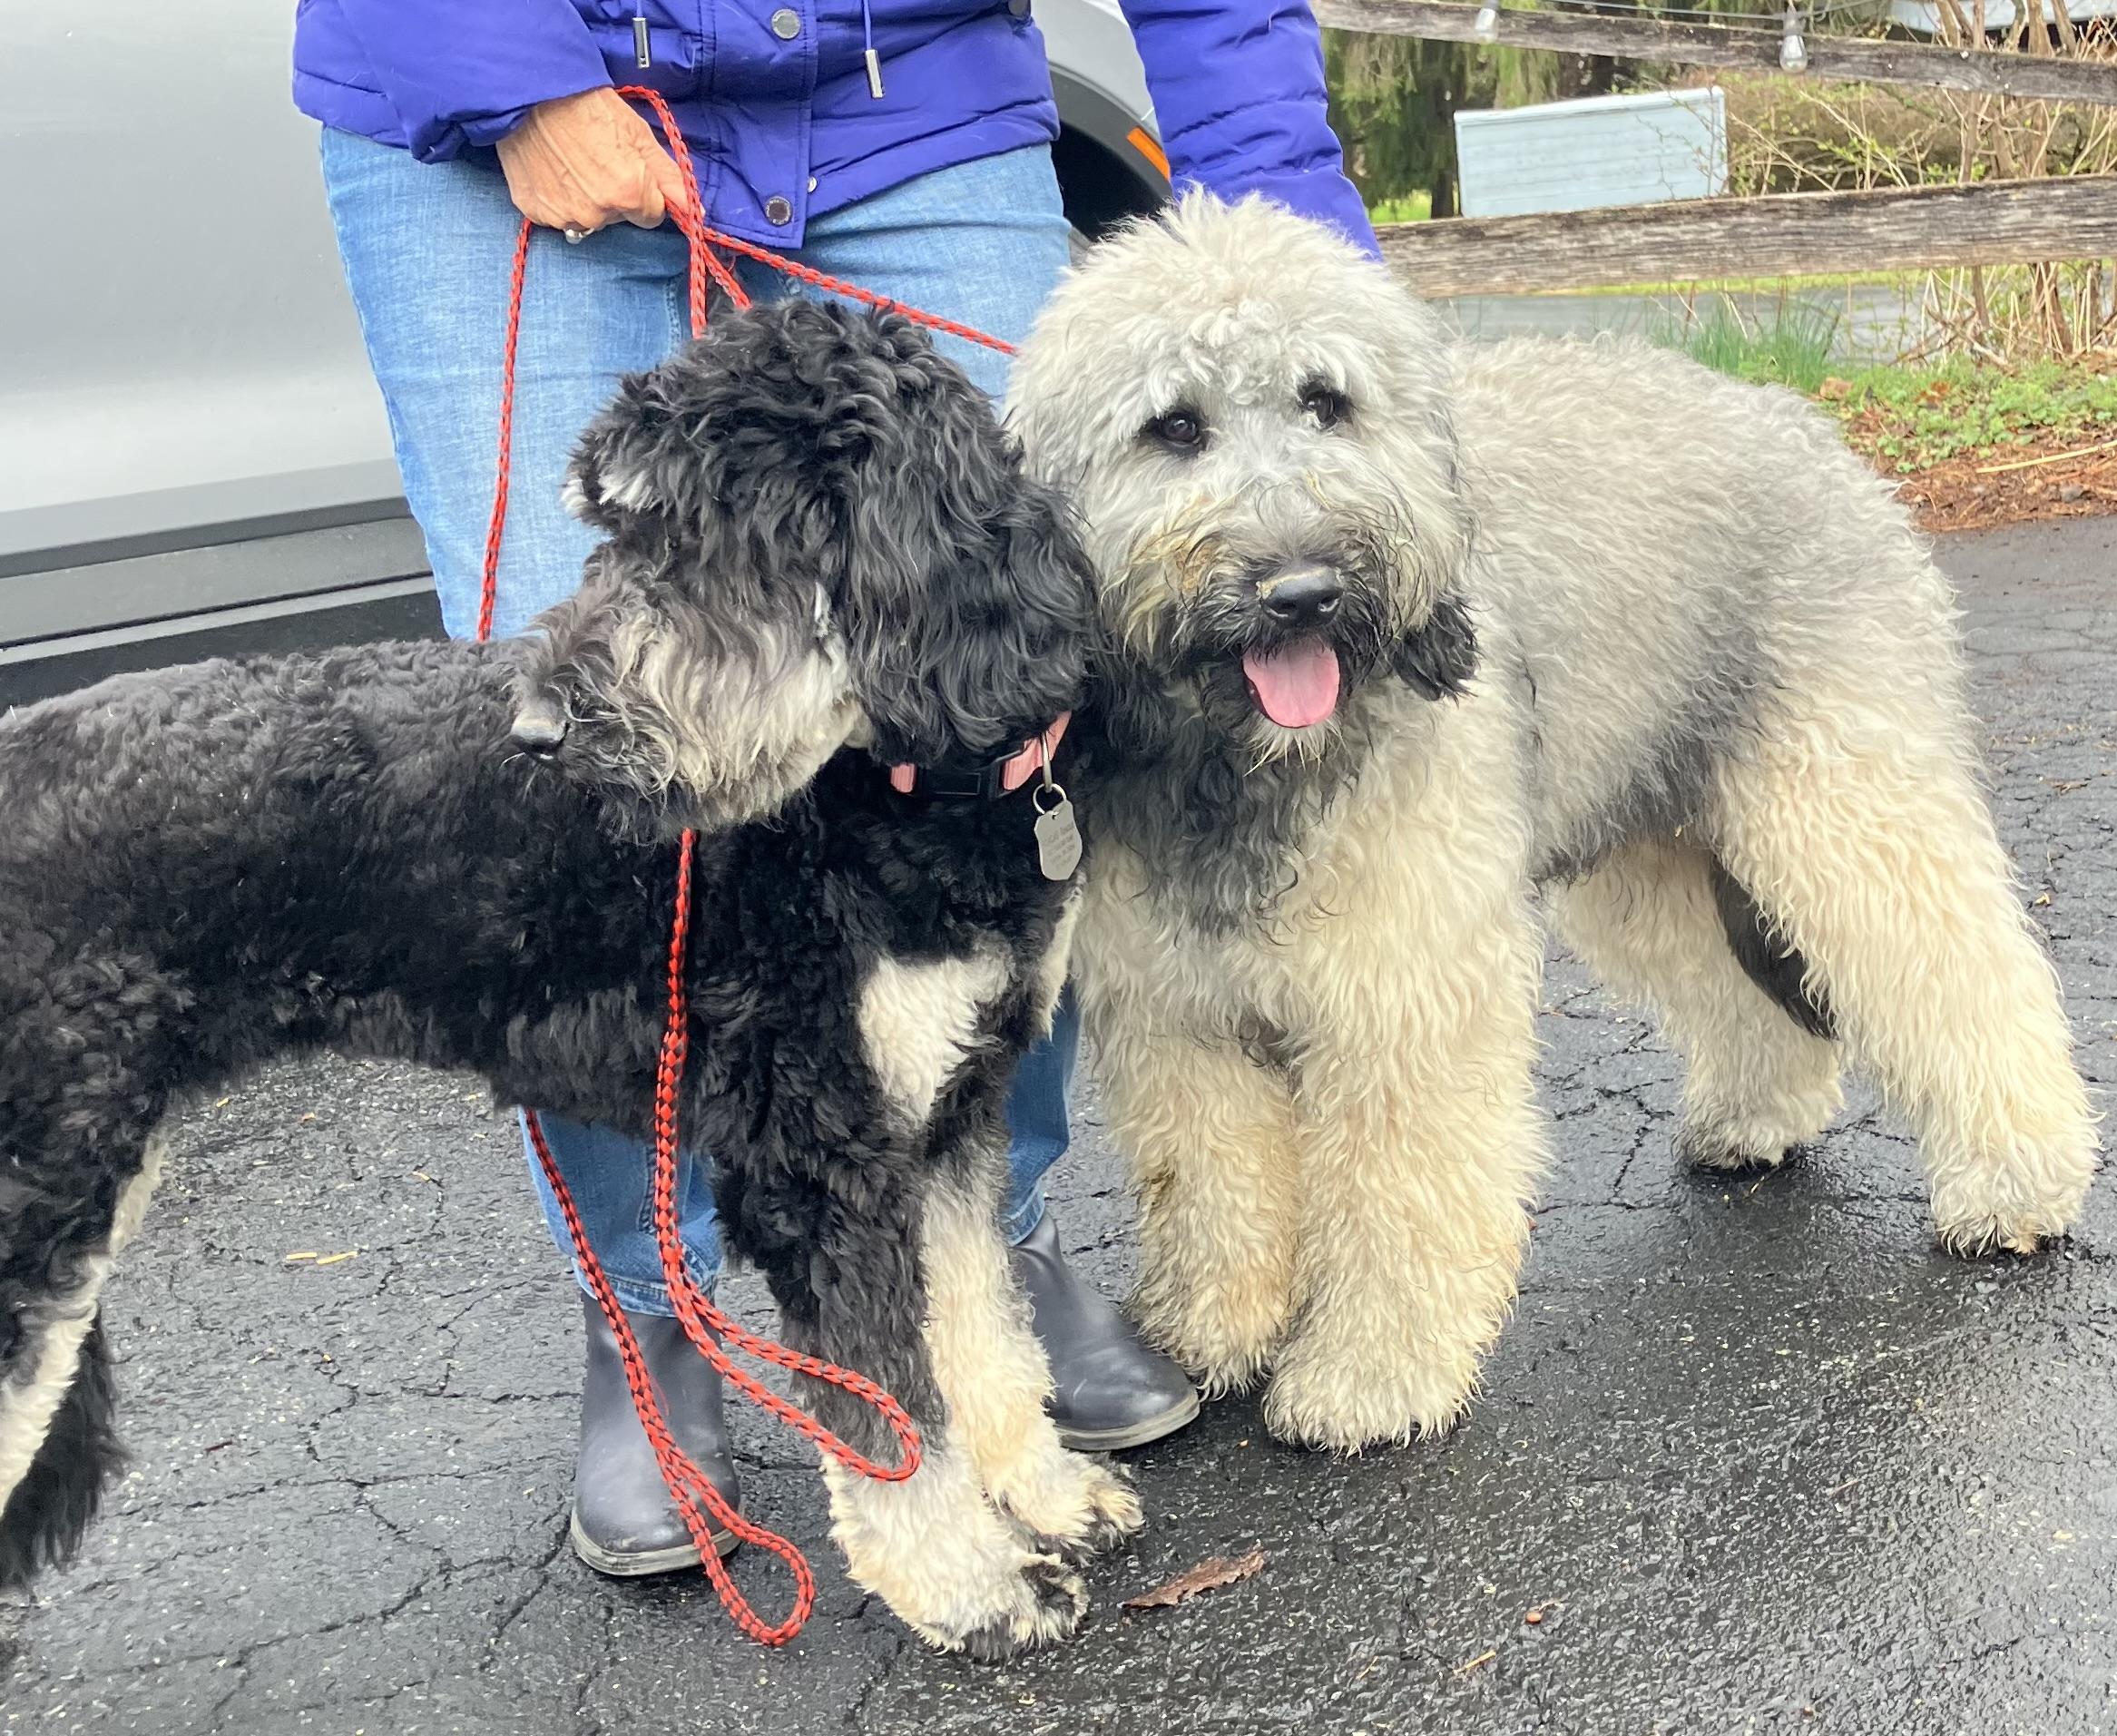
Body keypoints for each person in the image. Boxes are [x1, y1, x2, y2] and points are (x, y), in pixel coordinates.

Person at [293, 0, 1379, 1578]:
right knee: (595, 740)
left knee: (1016, 657)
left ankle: (980, 1246)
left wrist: (1312, 272)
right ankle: (655, 1303)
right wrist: (509, 77)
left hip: (907, 93)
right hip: (515, 106)